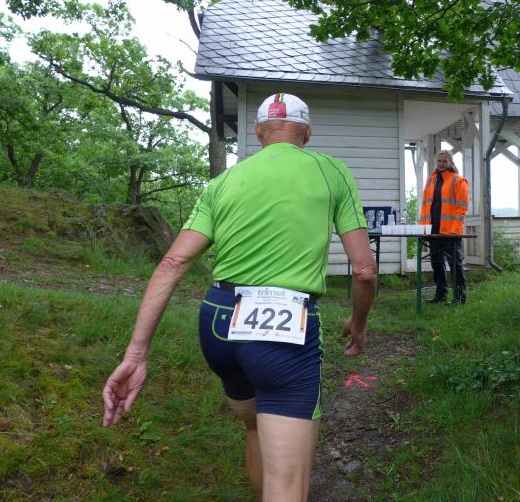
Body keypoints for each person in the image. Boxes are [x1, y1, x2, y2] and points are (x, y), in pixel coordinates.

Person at [101, 92, 377, 502]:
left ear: (259, 132)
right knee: (289, 482)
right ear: (306, 133)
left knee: (255, 427)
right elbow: (365, 270)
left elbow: (173, 262)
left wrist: (136, 355)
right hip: (283, 328)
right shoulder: (331, 171)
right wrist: (358, 323)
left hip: (218, 321)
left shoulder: (223, 181)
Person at [419, 149, 469, 305]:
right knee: (436, 263)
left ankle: (460, 297)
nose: (441, 164)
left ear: (451, 162)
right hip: (432, 230)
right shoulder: (431, 180)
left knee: (455, 265)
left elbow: (462, 208)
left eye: (444, 161)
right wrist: (423, 228)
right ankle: (441, 295)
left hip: (451, 232)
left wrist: (454, 230)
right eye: (439, 161)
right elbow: (425, 206)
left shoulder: (458, 180)